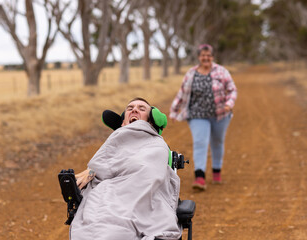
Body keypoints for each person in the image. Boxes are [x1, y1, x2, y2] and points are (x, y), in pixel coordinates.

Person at [71, 98, 182, 240]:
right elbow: (103, 163)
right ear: (123, 122)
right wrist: (93, 170)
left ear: (150, 122)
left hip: (142, 188)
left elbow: (149, 170)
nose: (134, 109)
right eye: (130, 108)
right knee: (100, 218)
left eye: (142, 109)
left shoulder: (157, 145)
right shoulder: (116, 139)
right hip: (111, 194)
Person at [169, 44, 237, 190]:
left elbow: (232, 90)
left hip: (220, 114)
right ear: (199, 57)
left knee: (217, 142)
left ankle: (216, 171)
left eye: (208, 55)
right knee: (200, 142)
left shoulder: (221, 71)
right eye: (203, 55)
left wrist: (229, 104)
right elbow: (182, 93)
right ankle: (199, 177)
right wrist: (174, 110)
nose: (206, 58)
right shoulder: (191, 73)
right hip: (197, 115)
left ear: (212, 57)